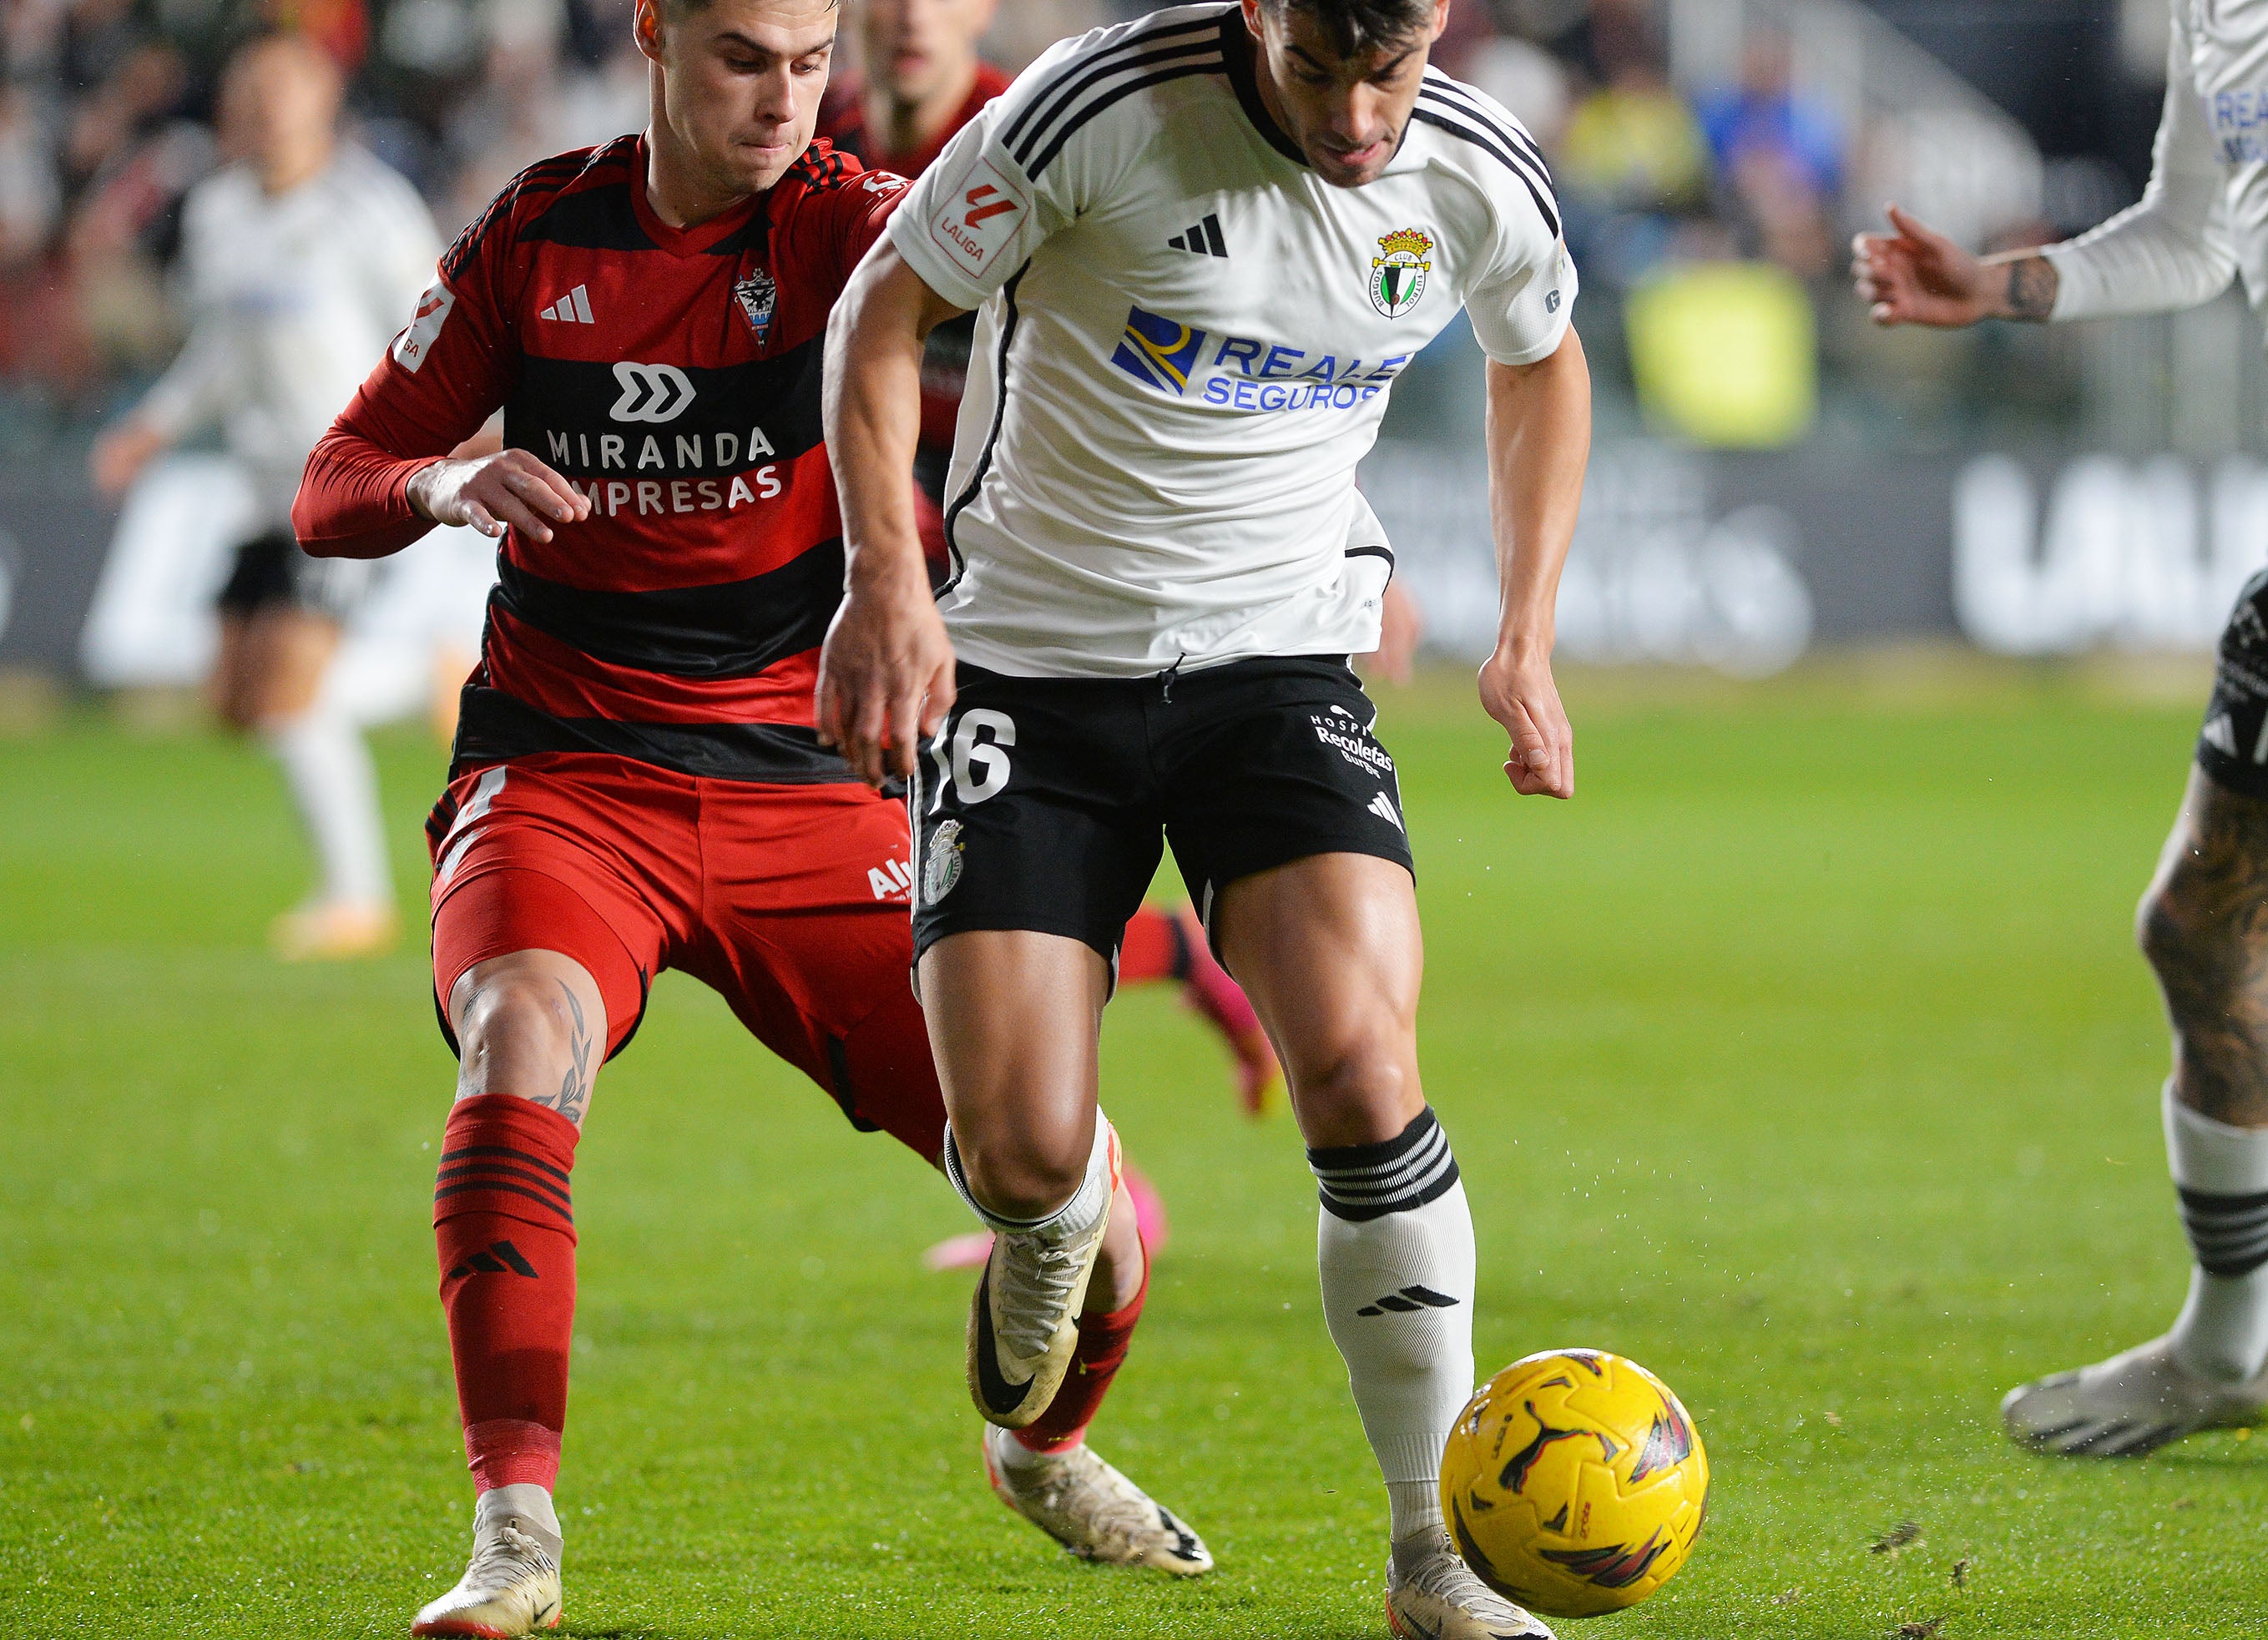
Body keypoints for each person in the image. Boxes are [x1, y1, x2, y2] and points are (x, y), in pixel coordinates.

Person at [290, 0, 1211, 1628]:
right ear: (653, 34)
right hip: (567, 772)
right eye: (741, 59)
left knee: (1069, 1180)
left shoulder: (852, 224)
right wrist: (440, 483)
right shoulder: (537, 233)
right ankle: (513, 1543)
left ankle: (1045, 1447)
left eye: (808, 61)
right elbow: (336, 471)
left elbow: (1091, 303)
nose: (787, 98)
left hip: (809, 783)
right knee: (521, 1040)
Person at [818, 0, 1589, 1631]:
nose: (1363, 114)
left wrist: (1525, 625)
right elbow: (878, 318)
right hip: (1024, 667)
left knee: (1368, 1066)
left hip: (1279, 664)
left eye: (1391, 69)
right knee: (1022, 1151)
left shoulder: (1469, 165)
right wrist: (888, 581)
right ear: (1259, 19)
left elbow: (1541, 357)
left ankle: (1428, 1555)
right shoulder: (1096, 106)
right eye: (1324, 71)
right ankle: (1056, 1216)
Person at [1853, 0, 2268, 1457]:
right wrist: (1998, 285)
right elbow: (2192, 235)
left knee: (2208, 923)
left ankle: (2227, 1351)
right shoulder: (2213, 11)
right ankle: (2226, 1347)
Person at [821, 0, 1284, 1113]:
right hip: (879, 536)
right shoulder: (821, 140)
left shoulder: (1030, 126)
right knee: (897, 877)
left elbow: (1230, 330)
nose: (905, 18)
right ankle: (1152, 991)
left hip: (1020, 554)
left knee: (924, 877)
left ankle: (1078, 1188)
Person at [89, 33, 439, 960]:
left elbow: (433, 333)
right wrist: (154, 423)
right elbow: (218, 350)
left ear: (324, 101)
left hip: (346, 481)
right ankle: (420, 676)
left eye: (282, 88)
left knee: (290, 697)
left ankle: (355, 899)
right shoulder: (217, 212)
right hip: (254, 489)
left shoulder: (368, 212)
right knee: (235, 704)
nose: (262, 107)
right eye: (248, 91)